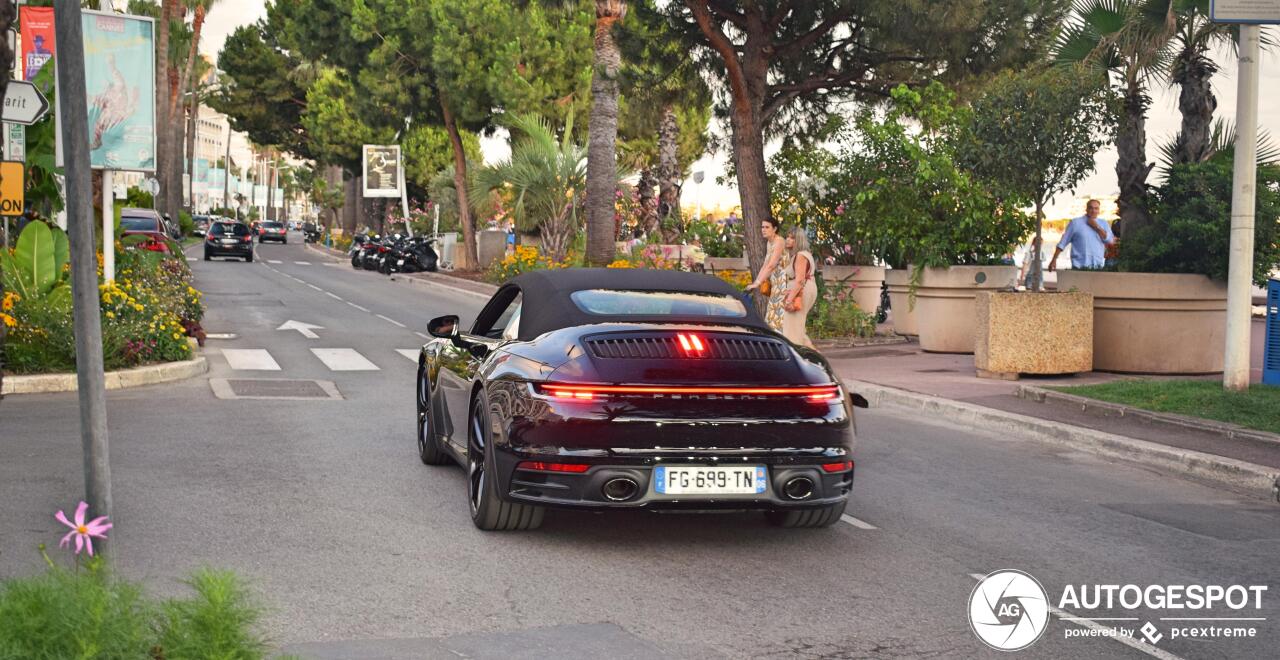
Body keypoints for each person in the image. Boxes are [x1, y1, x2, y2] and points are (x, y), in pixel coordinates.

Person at [745, 216, 788, 331]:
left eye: (767, 227)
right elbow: (765, 265)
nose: (763, 229)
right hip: (776, 282)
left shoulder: (779, 241)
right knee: (773, 314)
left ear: (774, 229)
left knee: (777, 315)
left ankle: (780, 343)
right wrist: (755, 283)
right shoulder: (770, 243)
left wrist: (758, 283)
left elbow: (772, 265)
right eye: (762, 227)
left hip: (784, 282)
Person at [1048, 199, 1114, 271]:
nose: (1093, 211)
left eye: (1096, 208)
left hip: (1098, 267)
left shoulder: (1104, 223)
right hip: (1078, 267)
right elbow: (1063, 243)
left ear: (1099, 210)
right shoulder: (1075, 223)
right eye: (1091, 208)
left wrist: (1097, 227)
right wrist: (1054, 260)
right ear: (1086, 209)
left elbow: (1110, 241)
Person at [782, 227, 817, 349]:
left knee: (792, 329)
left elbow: (800, 280)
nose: (788, 239)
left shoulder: (800, 255)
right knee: (798, 327)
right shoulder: (806, 254)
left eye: (792, 238)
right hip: (806, 289)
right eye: (787, 236)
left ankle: (797, 357)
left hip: (801, 292)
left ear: (798, 240)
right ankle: (814, 356)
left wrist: (789, 299)